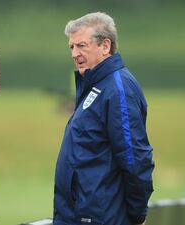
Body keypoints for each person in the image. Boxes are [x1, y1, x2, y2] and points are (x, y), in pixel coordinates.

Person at [53, 12, 154, 225]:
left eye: (81, 45)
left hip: (102, 217)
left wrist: (137, 214)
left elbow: (134, 157)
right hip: (79, 215)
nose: (74, 53)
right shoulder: (95, 86)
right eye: (71, 47)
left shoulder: (118, 89)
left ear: (105, 46)